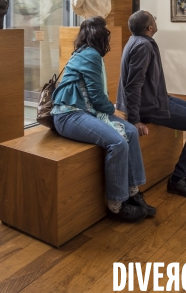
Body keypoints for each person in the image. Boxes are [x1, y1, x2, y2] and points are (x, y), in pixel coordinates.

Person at [51, 16, 155, 222]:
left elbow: (94, 97)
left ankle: (133, 192)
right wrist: (113, 110)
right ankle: (117, 204)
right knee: (117, 142)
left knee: (132, 132)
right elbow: (97, 96)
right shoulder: (90, 55)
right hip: (69, 114)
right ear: (101, 37)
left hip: (83, 110)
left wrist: (110, 110)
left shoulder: (84, 53)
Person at [116, 11, 186, 200]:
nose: (156, 21)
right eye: (154, 19)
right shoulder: (143, 46)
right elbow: (133, 85)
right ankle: (178, 178)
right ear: (149, 27)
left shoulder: (136, 41)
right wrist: (134, 119)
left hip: (156, 99)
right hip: (149, 107)